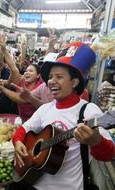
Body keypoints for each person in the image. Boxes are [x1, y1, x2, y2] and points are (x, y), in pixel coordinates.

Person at [12, 42, 115, 190]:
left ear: (74, 82)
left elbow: (109, 154)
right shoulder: (45, 109)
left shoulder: (89, 111)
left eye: (59, 77)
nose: (51, 81)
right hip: (35, 184)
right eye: (50, 76)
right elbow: (23, 129)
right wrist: (17, 142)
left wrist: (96, 141)